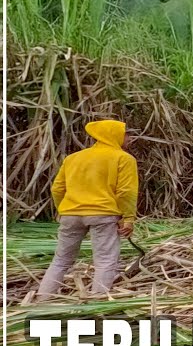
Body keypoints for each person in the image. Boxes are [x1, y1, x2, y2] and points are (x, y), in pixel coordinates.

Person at [36, 120, 138, 300]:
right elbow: (126, 192)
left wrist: (65, 209)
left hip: (70, 215)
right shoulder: (123, 158)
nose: (130, 138)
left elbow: (57, 189)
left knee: (60, 261)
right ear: (113, 135)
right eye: (126, 134)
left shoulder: (74, 158)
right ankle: (96, 304)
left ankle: (42, 300)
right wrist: (128, 218)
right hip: (103, 215)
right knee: (105, 261)